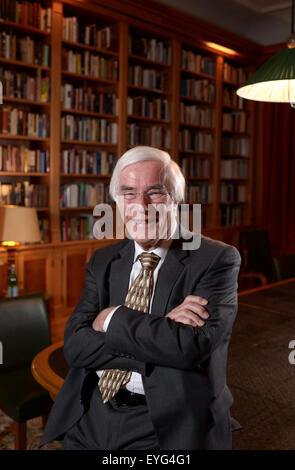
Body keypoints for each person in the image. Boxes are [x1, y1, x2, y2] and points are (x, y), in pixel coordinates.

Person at [40, 146, 241, 450]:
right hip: (93, 409)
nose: (141, 206)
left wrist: (109, 318)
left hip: (165, 422)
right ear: (118, 203)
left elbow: (188, 347)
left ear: (176, 199)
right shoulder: (103, 260)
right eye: (129, 193)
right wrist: (160, 328)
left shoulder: (216, 259)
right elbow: (77, 347)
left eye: (155, 193)